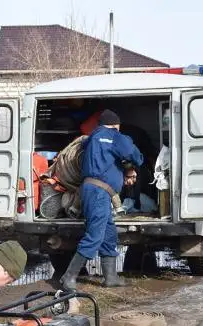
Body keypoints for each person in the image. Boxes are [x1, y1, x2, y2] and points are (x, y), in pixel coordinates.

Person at [59, 109, 144, 290]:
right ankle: (68, 277)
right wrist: (132, 166)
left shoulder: (91, 138)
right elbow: (134, 154)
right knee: (95, 235)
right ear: (116, 125)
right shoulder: (115, 136)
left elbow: (101, 157)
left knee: (109, 233)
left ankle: (111, 277)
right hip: (99, 192)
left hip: (92, 189)